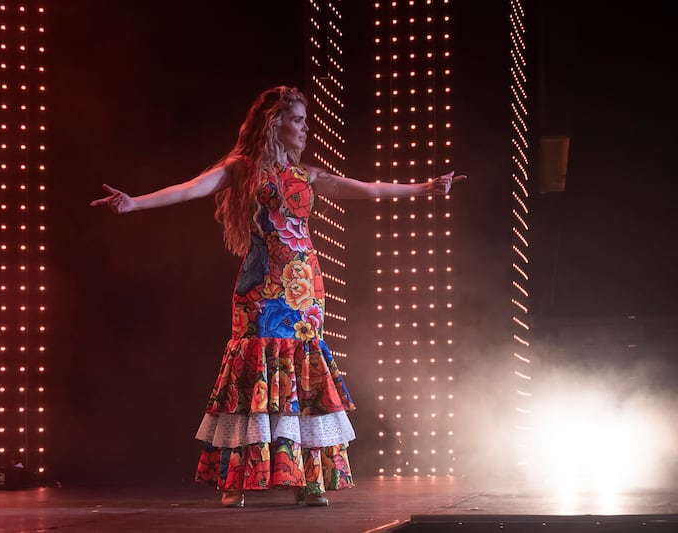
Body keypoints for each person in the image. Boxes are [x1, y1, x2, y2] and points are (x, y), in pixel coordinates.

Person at [90, 85, 465, 508]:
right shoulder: (242, 168)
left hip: (304, 289)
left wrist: (423, 188)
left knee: (302, 377)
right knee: (255, 374)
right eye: (299, 120)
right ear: (275, 123)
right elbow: (189, 188)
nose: (305, 129)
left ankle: (309, 479)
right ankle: (239, 478)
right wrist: (134, 203)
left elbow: (368, 188)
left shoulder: (308, 176)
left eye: (305, 121)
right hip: (261, 288)